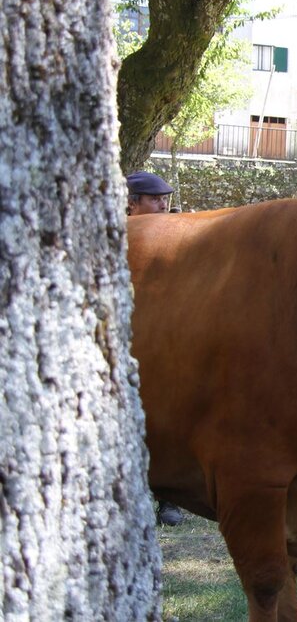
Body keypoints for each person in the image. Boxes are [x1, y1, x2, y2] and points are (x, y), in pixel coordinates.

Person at [126, 171, 186, 526]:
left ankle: (168, 499)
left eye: (164, 198)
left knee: (166, 418)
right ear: (133, 202)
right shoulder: (112, 235)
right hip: (129, 339)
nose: (162, 204)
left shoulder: (177, 235)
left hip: (167, 340)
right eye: (154, 199)